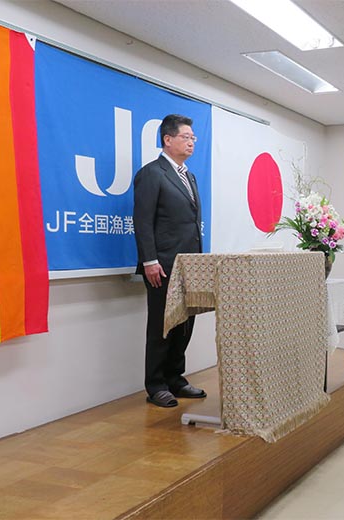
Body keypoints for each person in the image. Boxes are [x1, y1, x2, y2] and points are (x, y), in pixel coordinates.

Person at [133, 114, 206, 408]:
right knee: (161, 325)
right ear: (167, 139)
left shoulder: (189, 176)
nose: (191, 142)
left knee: (184, 324)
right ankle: (156, 385)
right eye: (186, 137)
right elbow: (142, 221)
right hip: (162, 265)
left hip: (190, 265)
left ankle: (175, 378)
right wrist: (149, 260)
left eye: (193, 138)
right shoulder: (152, 173)